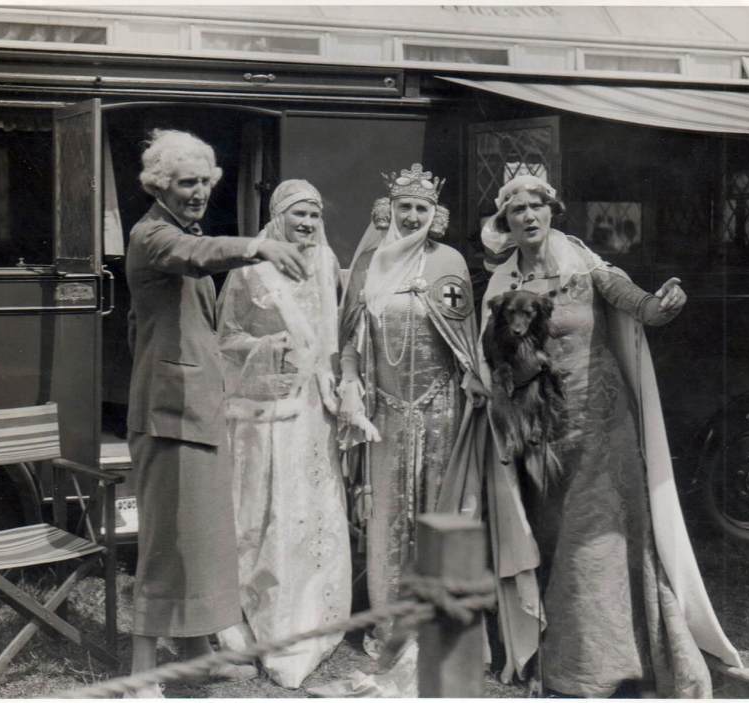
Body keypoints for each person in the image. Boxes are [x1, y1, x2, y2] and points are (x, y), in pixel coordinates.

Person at [477, 174, 742, 696]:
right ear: (506, 222)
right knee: (550, 536)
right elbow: (491, 357)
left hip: (600, 421)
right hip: (542, 431)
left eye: (537, 207)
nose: (529, 216)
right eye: (517, 211)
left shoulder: (583, 262)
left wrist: (662, 304)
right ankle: (553, 655)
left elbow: (638, 305)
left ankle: (601, 666)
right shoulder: (502, 282)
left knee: (596, 537)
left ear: (552, 211)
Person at [125, 129, 310, 696]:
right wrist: (258, 246)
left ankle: (195, 653)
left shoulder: (183, 233)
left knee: (201, 539)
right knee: (166, 544)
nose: (200, 192)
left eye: (206, 181)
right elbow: (196, 257)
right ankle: (141, 676)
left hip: (196, 405)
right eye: (187, 182)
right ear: (160, 184)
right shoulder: (152, 236)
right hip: (168, 412)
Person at [337, 163, 487, 661]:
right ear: (389, 209)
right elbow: (350, 338)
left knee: (437, 514)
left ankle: (436, 626)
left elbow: (464, 342)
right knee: (386, 518)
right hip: (384, 412)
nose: (413, 216)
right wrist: (351, 383)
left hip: (441, 407)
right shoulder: (368, 264)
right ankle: (389, 625)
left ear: (434, 214)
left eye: (422, 208)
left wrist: (471, 383)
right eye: (405, 206)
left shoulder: (449, 261)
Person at [215, 180, 351, 688]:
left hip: (312, 408)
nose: (308, 224)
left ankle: (310, 617)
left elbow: (331, 338)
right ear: (278, 218)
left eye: (315, 215)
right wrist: (268, 347)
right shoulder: (252, 268)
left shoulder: (326, 262)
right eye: (299, 215)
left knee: (310, 509)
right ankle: (259, 621)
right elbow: (226, 338)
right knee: (264, 511)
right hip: (264, 409)